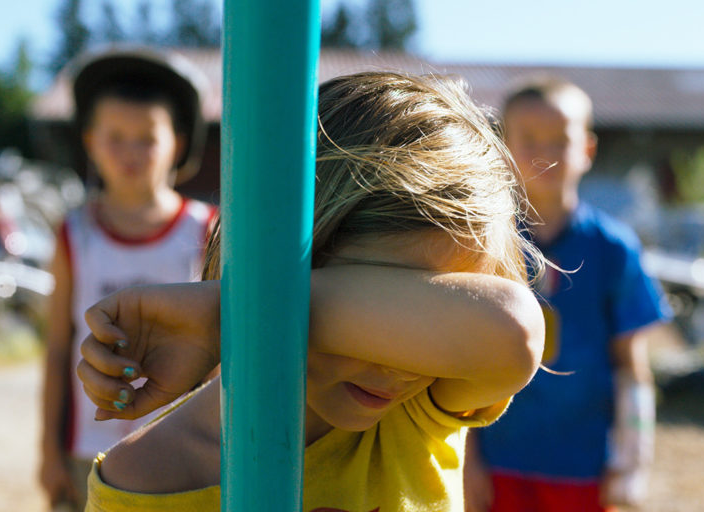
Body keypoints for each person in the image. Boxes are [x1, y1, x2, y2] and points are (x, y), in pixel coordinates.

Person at [73, 71, 547, 511]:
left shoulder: (422, 409)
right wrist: (256, 306)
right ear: (294, 248)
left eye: (429, 313)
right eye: (388, 302)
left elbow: (512, 329)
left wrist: (236, 312)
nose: (401, 364)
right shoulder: (146, 480)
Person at [464, 75, 673, 512]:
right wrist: (466, 460)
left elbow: (632, 368)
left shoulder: (614, 248)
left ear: (588, 150)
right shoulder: (479, 244)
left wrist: (631, 459)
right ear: (502, 147)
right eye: (529, 138)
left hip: (584, 468)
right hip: (498, 462)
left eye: (560, 139)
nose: (544, 152)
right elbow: (458, 359)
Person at [38, 47, 216, 511]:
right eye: (116, 137)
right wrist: (47, 450)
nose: (130, 152)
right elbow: (59, 347)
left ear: (177, 143)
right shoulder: (73, 235)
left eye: (147, 138)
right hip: (87, 452)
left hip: (183, 450)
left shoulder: (207, 230)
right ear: (91, 141)